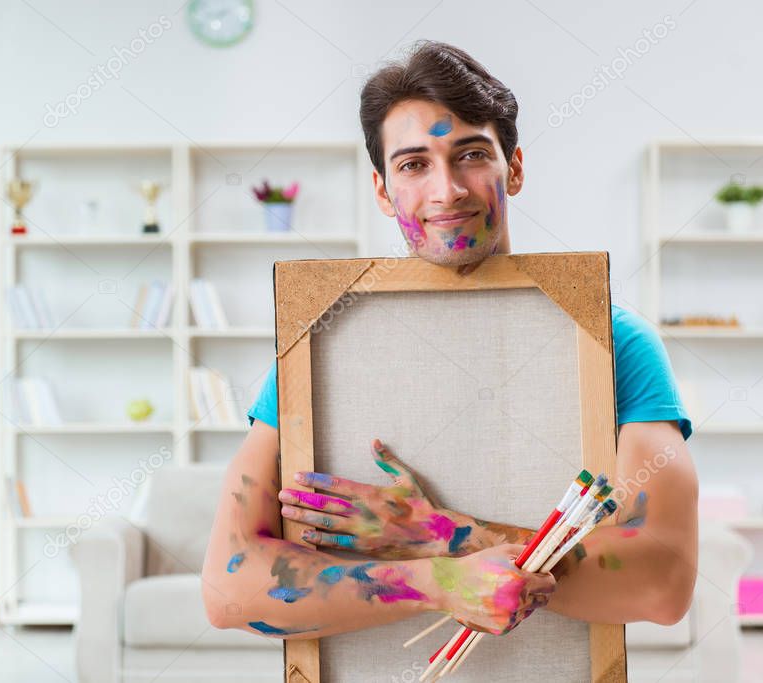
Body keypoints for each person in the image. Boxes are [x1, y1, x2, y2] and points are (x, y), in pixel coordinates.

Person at [201, 40, 697, 640]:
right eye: (413, 164)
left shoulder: (617, 343)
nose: (448, 190)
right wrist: (436, 580)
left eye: (470, 155)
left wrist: (437, 534)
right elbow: (229, 591)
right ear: (383, 190)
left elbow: (664, 584)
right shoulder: (318, 349)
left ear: (513, 168)